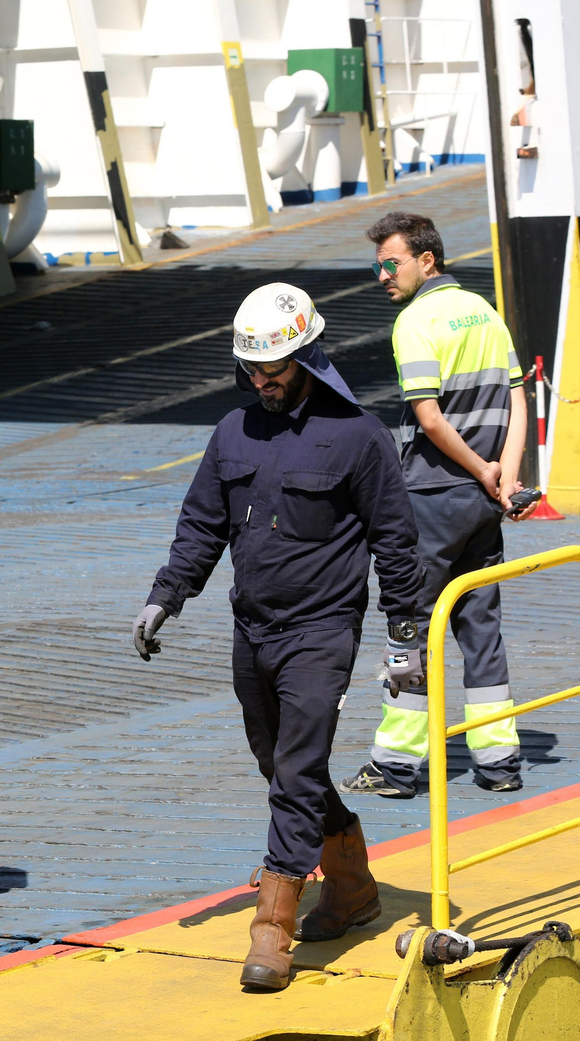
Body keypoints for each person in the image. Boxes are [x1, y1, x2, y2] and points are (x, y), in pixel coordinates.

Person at [132, 283, 423, 991]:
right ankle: (351, 885)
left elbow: (396, 541)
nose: (264, 382)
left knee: (295, 771)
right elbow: (201, 523)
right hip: (251, 628)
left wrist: (406, 641)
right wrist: (164, 596)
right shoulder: (233, 432)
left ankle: (274, 925)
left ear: (308, 353)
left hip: (321, 630)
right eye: (254, 371)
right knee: (279, 761)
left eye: (277, 370)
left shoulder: (358, 435)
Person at [340, 212, 535, 799]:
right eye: (377, 265)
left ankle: (396, 766)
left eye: (391, 262)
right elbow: (519, 399)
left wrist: (477, 468)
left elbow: (428, 417)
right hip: (482, 503)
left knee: (409, 628)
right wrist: (505, 479)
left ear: (427, 260)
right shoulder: (486, 313)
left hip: (431, 497)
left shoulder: (415, 323)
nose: (382, 275)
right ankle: (499, 763)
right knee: (481, 630)